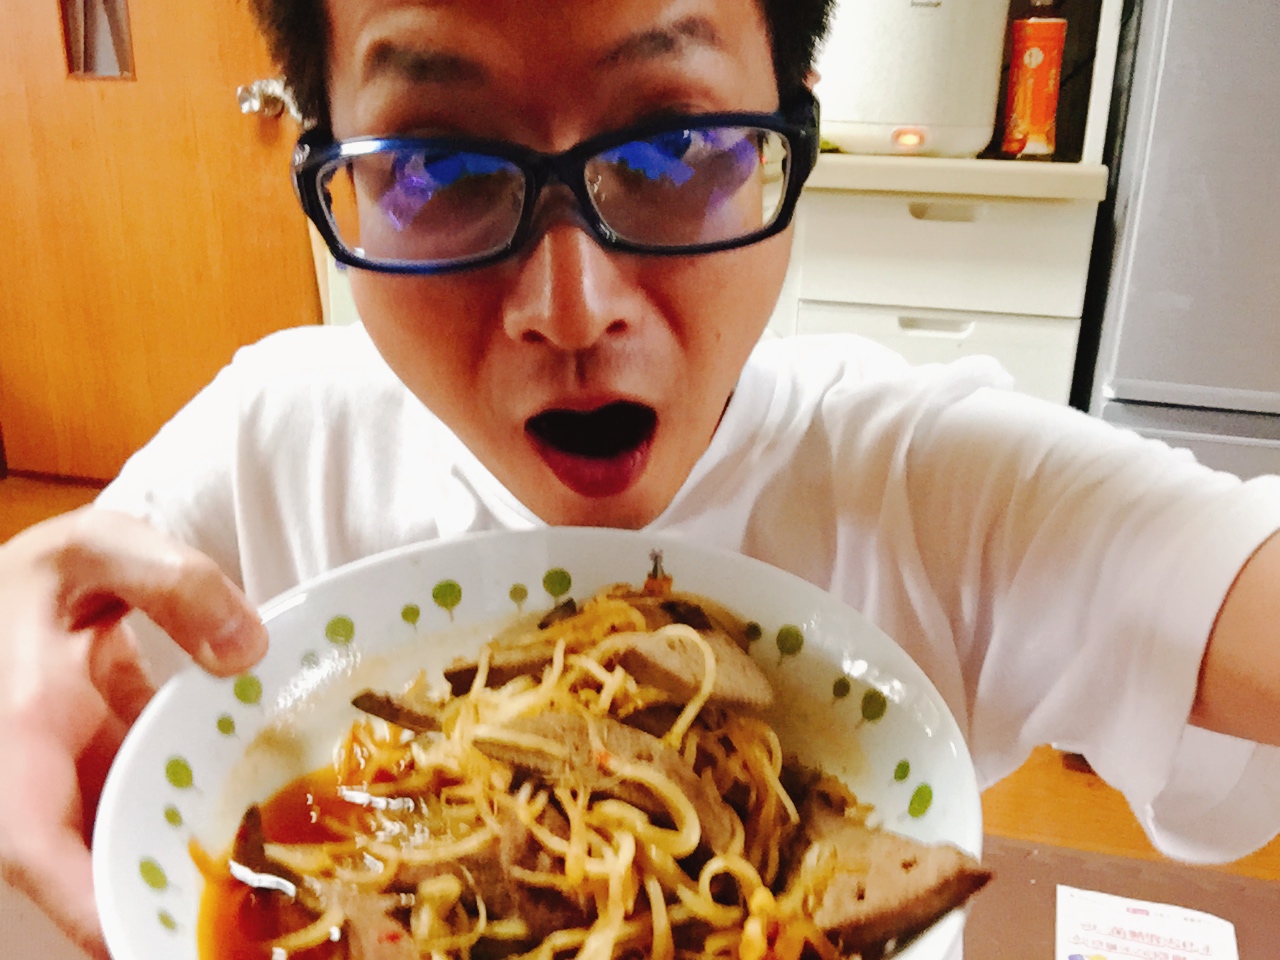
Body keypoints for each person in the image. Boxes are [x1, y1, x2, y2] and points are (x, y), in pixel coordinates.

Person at [3, 0, 1280, 957]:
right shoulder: (265, 452)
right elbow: (47, 662)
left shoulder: (931, 484)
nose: (570, 308)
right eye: (438, 169)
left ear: (792, 129)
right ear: (328, 166)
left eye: (673, 150)